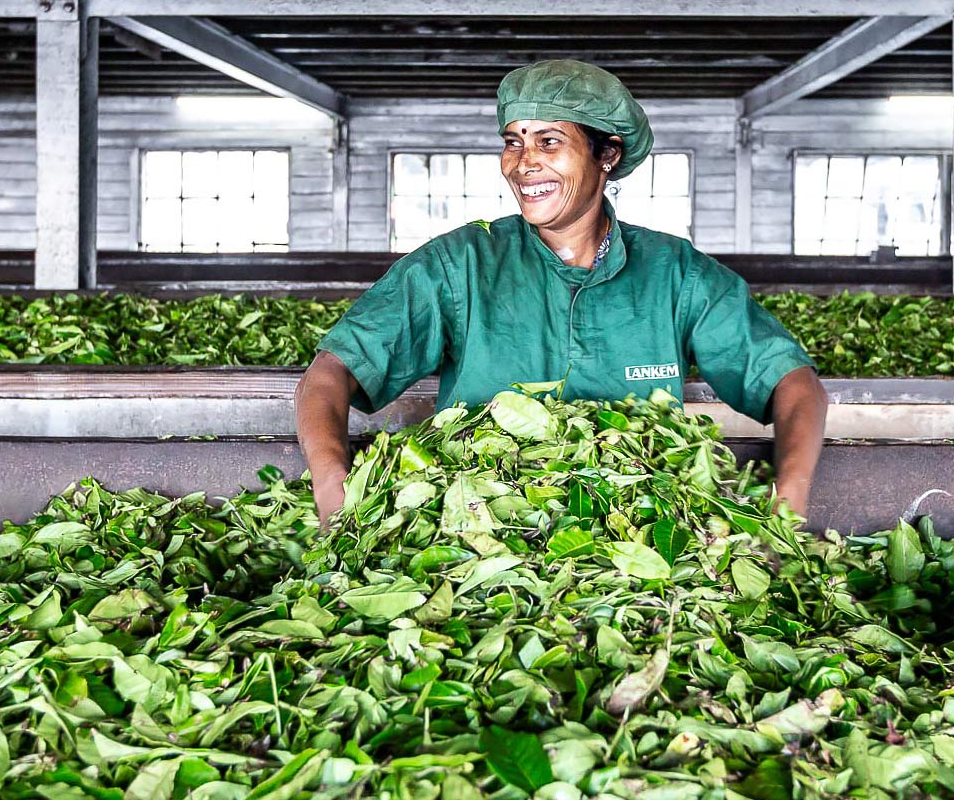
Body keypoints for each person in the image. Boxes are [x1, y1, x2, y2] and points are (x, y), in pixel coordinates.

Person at [296, 58, 827, 525]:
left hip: (633, 532)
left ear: (607, 156)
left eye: (549, 141)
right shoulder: (459, 264)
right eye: (513, 141)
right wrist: (331, 484)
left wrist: (788, 502)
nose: (523, 162)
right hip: (476, 532)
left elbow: (795, 384)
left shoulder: (675, 274)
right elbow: (328, 375)